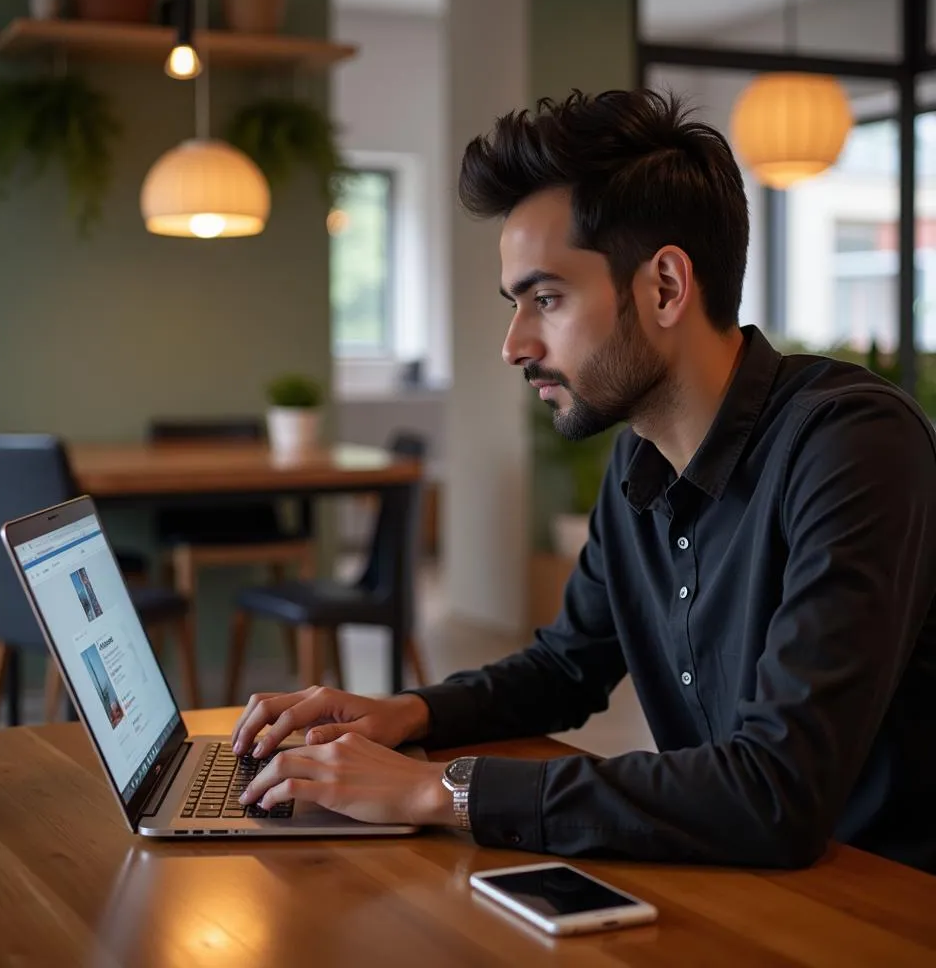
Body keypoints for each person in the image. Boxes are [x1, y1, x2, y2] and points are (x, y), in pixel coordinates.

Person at [232, 88, 936, 872]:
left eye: (547, 298)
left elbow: (777, 790)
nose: (514, 343)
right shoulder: (639, 459)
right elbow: (566, 667)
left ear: (665, 287)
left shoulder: (852, 447)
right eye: (516, 303)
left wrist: (442, 792)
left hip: (889, 907)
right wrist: (402, 713)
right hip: (750, 890)